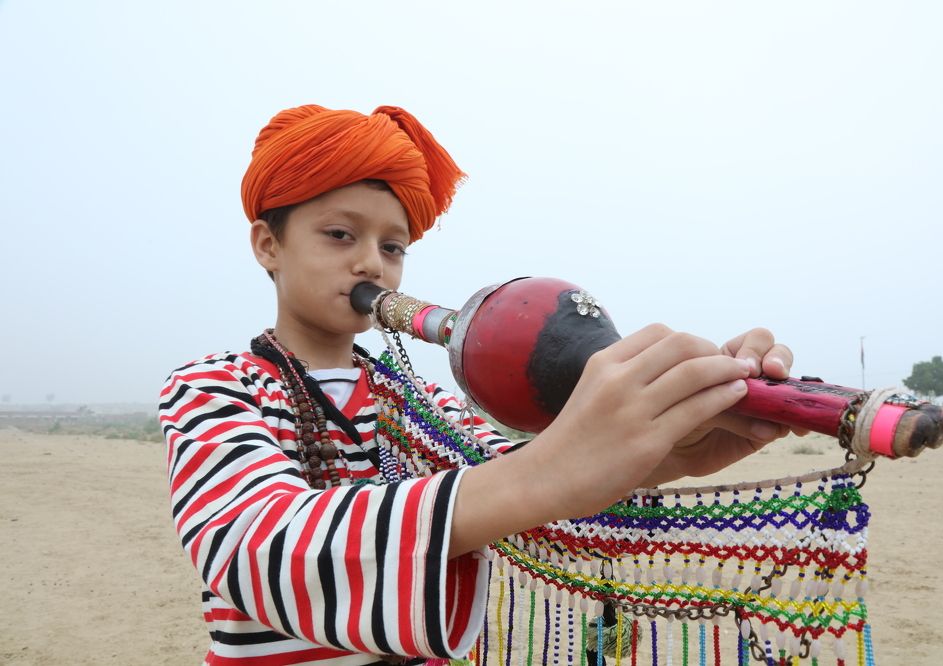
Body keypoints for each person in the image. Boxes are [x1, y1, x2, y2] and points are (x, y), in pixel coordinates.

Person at [159, 103, 797, 665]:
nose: (371, 264)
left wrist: (661, 452)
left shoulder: (415, 401)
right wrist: (548, 469)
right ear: (268, 244)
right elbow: (257, 548)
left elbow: (522, 491)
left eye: (393, 247)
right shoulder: (211, 389)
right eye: (339, 234)